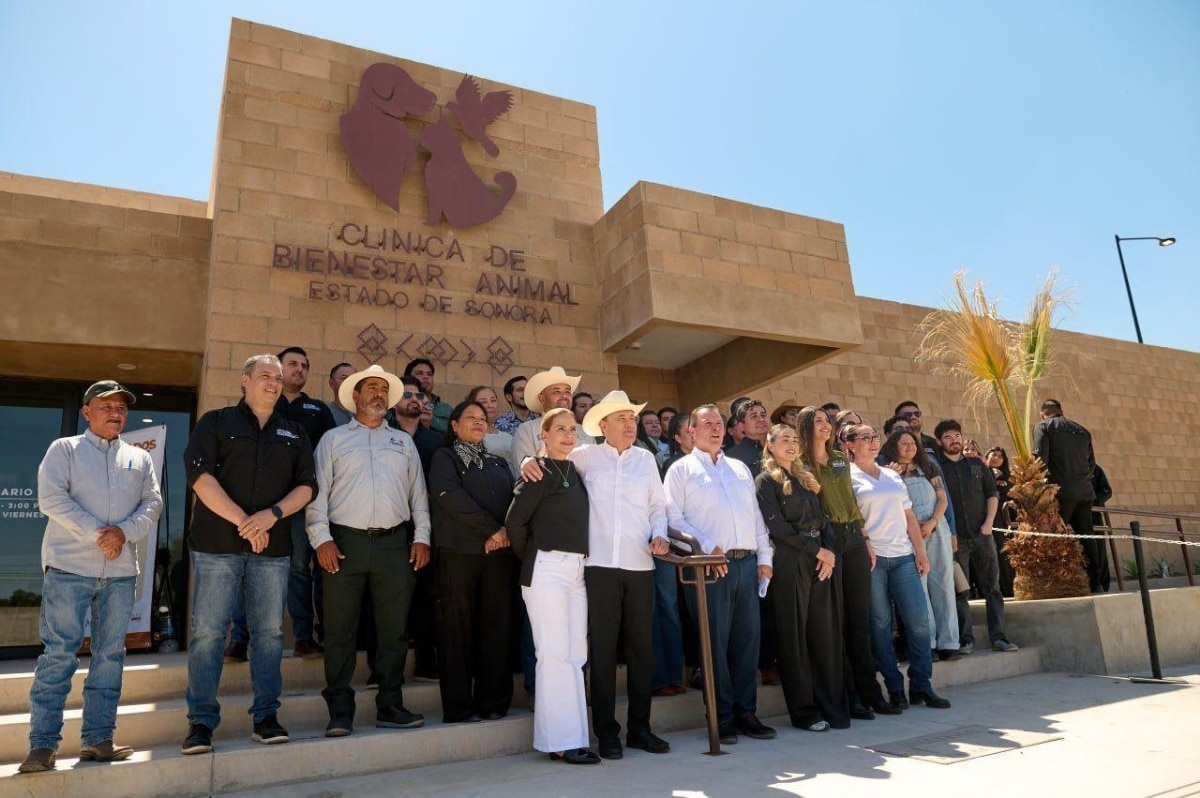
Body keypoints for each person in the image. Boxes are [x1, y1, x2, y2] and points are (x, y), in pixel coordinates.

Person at [19, 381, 163, 774]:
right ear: (86, 411)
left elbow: (153, 502)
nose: (115, 412)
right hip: (69, 569)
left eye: (121, 407)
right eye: (106, 405)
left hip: (119, 573)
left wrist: (125, 533)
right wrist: (102, 534)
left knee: (109, 658)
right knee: (59, 656)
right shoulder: (64, 449)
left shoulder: (139, 457)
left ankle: (98, 740)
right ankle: (42, 747)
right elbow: (51, 499)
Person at [521, 390, 673, 759]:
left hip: (640, 565)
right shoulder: (585, 456)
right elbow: (549, 459)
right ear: (602, 425)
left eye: (632, 418)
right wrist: (528, 459)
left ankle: (640, 729)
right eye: (621, 418)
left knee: (641, 650)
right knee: (602, 651)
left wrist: (660, 533)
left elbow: (658, 505)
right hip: (598, 567)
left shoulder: (646, 459)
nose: (629, 424)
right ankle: (607, 733)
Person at [181, 354, 317, 755]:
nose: (273, 383)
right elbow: (200, 477)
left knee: (269, 635)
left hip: (271, 549)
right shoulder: (216, 422)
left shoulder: (294, 432)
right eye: (265, 376)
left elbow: (307, 487)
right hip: (216, 547)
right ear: (244, 380)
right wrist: (246, 521)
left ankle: (266, 717)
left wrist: (271, 516)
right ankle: (201, 722)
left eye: (278, 378)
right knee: (208, 634)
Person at [306, 365, 431, 737]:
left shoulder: (403, 443)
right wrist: (321, 539)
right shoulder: (333, 439)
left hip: (395, 544)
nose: (377, 394)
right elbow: (318, 495)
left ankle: (390, 705)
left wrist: (421, 536)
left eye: (382, 389)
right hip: (343, 544)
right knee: (340, 630)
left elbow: (418, 496)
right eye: (370, 389)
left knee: (393, 631)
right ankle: (340, 710)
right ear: (355, 397)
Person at [665, 404, 776, 745]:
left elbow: (755, 515)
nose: (714, 428)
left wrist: (765, 555)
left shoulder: (739, 468)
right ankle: (721, 716)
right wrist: (707, 547)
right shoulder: (680, 470)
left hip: (746, 563)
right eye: (706, 423)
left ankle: (746, 713)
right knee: (715, 643)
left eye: (718, 423)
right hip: (709, 567)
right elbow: (673, 520)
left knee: (746, 642)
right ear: (691, 432)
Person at [504, 408, 599, 765]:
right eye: (559, 429)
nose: (567, 435)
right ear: (543, 435)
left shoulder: (577, 470)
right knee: (554, 654)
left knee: (576, 654)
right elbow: (515, 524)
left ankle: (574, 737)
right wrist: (535, 555)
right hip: (546, 569)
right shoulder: (538, 471)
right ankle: (559, 741)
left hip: (578, 569)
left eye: (572, 429)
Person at [795, 406, 895, 720]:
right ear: (807, 427)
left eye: (827, 420)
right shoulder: (801, 464)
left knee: (859, 620)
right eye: (819, 421)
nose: (825, 425)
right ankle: (849, 697)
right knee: (835, 622)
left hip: (854, 536)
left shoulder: (840, 458)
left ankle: (871, 693)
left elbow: (850, 501)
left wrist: (866, 539)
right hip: (828, 538)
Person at [844, 424, 951, 710]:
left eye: (874, 437)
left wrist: (920, 552)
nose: (872, 441)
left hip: (903, 557)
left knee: (919, 622)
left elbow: (909, 518)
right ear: (851, 445)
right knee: (879, 624)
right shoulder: (847, 477)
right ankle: (894, 688)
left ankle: (921, 685)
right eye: (864, 438)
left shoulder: (892, 475)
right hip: (873, 561)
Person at [428, 401, 518, 723]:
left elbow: (513, 503)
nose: (479, 423)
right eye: (471, 418)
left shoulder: (497, 462)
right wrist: (492, 529)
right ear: (454, 425)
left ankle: (493, 702)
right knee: (457, 632)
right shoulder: (445, 458)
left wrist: (507, 532)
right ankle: (460, 707)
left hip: (498, 557)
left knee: (496, 629)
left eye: (483, 419)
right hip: (459, 555)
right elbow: (449, 496)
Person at [755, 423, 846, 731]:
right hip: (790, 559)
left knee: (823, 635)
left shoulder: (807, 479)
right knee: (794, 638)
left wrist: (828, 552)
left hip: (819, 558)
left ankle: (832, 707)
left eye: (794, 439)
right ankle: (805, 713)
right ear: (770, 445)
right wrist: (815, 551)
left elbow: (825, 520)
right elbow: (777, 528)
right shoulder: (766, 481)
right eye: (784, 440)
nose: (791, 444)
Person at [273, 346, 337, 660]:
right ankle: (240, 640)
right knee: (248, 568)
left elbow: (331, 453)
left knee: (300, 567)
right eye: (293, 364)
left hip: (302, 500)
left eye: (304, 366)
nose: (299, 369)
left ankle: (304, 636)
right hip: (262, 502)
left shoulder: (318, 409)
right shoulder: (263, 402)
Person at [935, 419, 1018, 654]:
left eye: (957, 436)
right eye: (949, 437)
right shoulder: (937, 468)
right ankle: (966, 639)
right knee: (961, 590)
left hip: (983, 536)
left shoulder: (977, 464)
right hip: (955, 540)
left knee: (992, 587)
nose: (955, 441)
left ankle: (999, 637)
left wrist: (989, 524)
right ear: (940, 441)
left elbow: (992, 493)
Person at [881, 430, 960, 661]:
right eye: (903, 443)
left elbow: (943, 498)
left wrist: (933, 522)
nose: (910, 447)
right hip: (909, 531)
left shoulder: (929, 468)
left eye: (912, 443)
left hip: (937, 526)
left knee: (944, 582)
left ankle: (949, 641)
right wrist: (917, 528)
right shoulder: (888, 472)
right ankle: (929, 643)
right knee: (920, 587)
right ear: (894, 447)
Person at [724, 399, 778, 686]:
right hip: (754, 542)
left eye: (763, 414)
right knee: (760, 608)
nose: (760, 420)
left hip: (783, 541)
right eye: (752, 417)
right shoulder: (734, 457)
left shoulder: (778, 449)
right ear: (740, 427)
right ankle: (764, 664)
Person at [1032, 399, 1107, 593]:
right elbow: (1092, 464)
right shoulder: (1082, 430)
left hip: (1059, 493)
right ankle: (1095, 582)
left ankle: (1055, 583)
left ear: (1042, 414)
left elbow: (1040, 461)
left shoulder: (1043, 427)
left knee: (1054, 538)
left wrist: (1041, 491)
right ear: (1061, 411)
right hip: (1084, 492)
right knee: (1086, 537)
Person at [509, 367, 583, 478]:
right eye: (556, 392)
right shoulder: (527, 430)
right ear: (542, 398)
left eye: (567, 391)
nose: (564, 396)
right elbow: (524, 475)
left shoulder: (584, 431)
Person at [986, 446, 1016, 597]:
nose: (996, 458)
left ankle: (1010, 587)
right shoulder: (982, 473)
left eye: (1000, 456)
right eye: (993, 454)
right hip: (988, 521)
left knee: (1005, 554)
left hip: (1005, 521)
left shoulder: (1008, 477)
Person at [401, 358, 449, 433]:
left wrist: (428, 415)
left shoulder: (445, 408)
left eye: (429, 374)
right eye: (419, 373)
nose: (426, 377)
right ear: (408, 378)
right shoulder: (398, 404)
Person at [468, 385, 514, 464]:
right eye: (483, 402)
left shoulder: (508, 437)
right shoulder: (468, 436)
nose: (490, 405)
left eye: (493, 400)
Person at [327, 362, 356, 426]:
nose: (349, 381)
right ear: (332, 383)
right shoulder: (324, 412)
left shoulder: (367, 413)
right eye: (344, 378)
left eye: (353, 378)